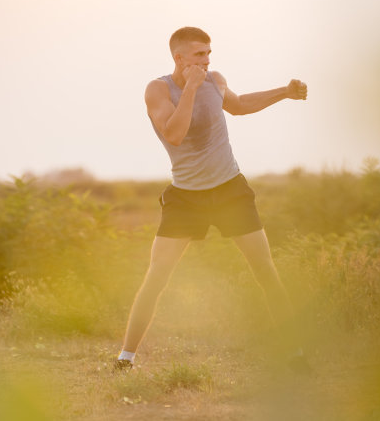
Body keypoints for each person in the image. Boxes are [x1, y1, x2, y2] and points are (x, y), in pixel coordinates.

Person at [116, 26, 310, 374]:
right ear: (179, 58)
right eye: (199, 54)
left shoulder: (215, 79)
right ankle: (125, 360)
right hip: (185, 198)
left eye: (208, 53)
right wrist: (190, 87)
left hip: (230, 191)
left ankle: (295, 352)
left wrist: (285, 92)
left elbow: (238, 105)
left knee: (265, 270)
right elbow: (174, 134)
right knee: (157, 277)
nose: (207, 60)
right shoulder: (158, 90)